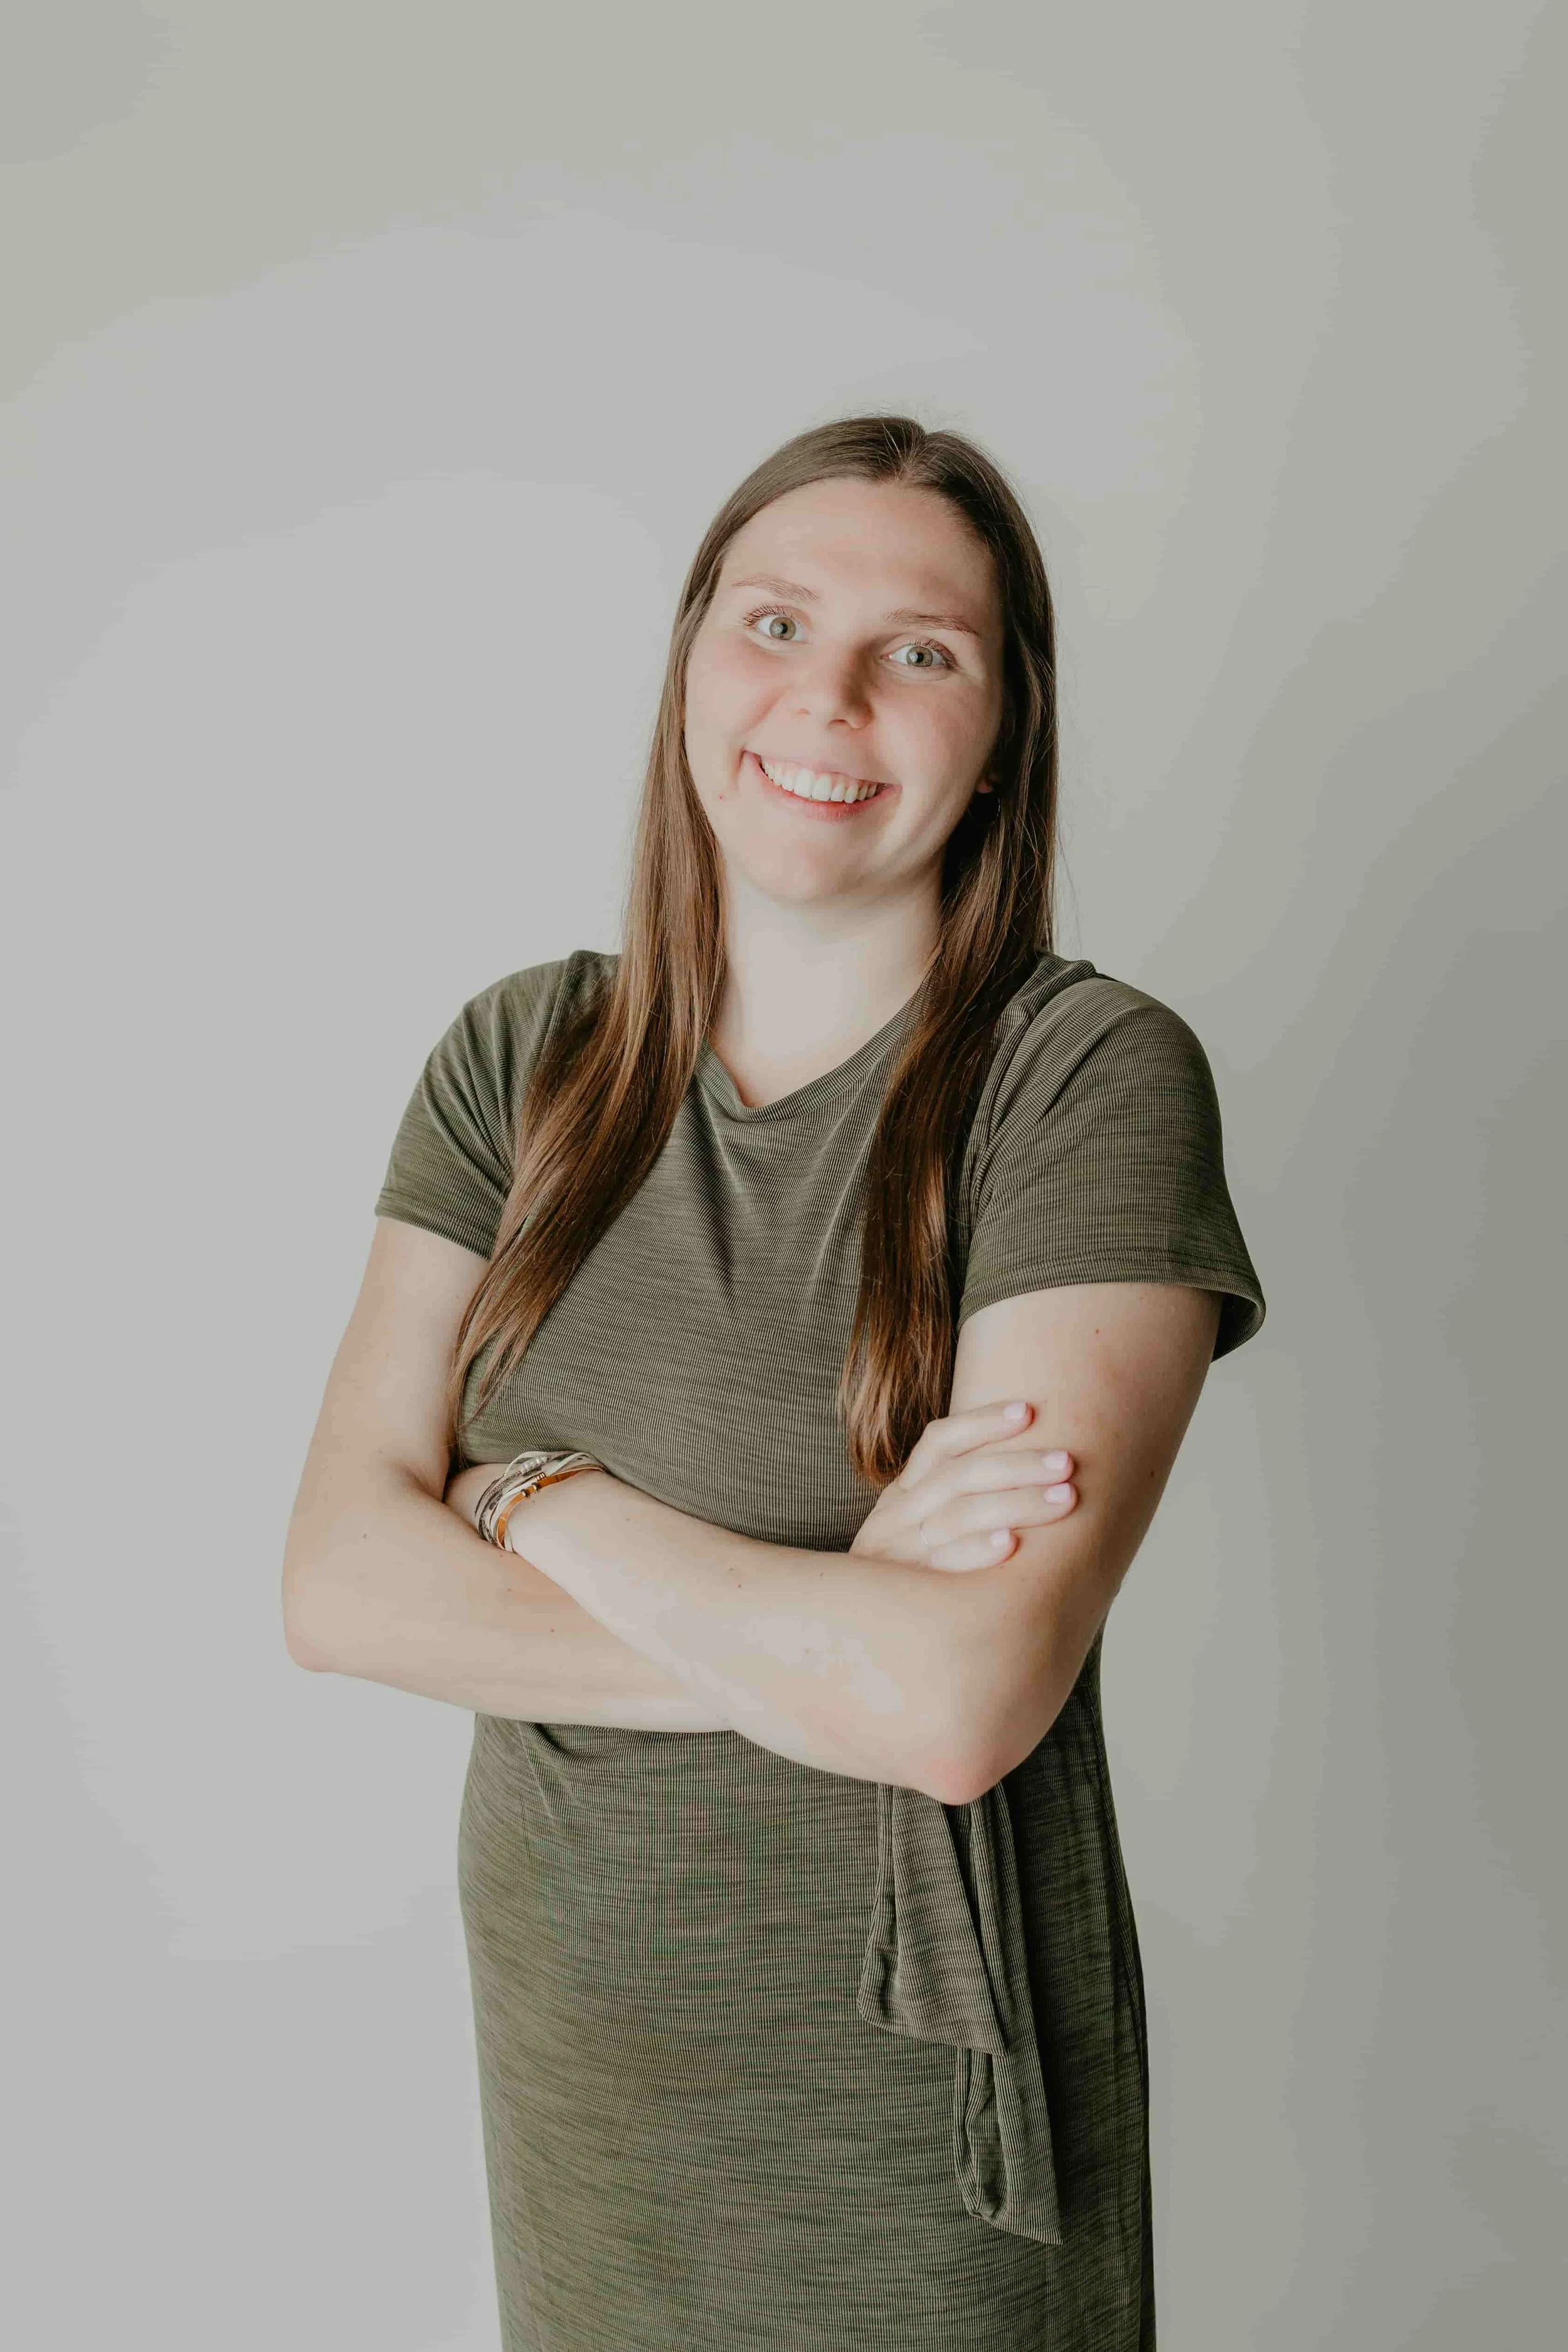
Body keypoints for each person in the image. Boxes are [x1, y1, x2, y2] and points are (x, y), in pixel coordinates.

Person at [282, 413, 1267, 2351]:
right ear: (687, 663)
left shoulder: (1085, 1084)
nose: (826, 695)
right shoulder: (522, 1062)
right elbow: (332, 1580)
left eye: (921, 649)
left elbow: (963, 1698)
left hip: (917, 2158)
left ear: (1005, 724)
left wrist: (519, 1499)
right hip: (587, 2115)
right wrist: (831, 1655)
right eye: (773, 618)